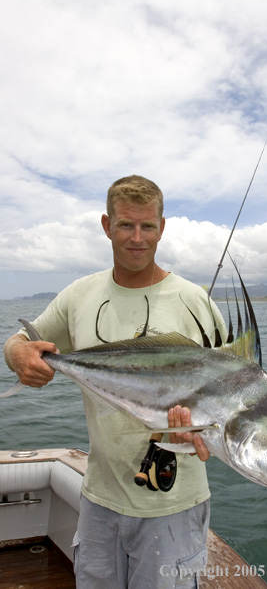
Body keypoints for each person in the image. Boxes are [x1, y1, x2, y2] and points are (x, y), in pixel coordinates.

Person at [3, 175, 228, 589]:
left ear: (162, 227)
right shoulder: (79, 295)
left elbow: (230, 394)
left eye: (147, 226)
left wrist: (204, 434)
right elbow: (20, 339)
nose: (137, 238)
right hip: (99, 500)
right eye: (126, 225)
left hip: (173, 506)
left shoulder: (196, 302)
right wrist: (19, 355)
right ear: (107, 225)